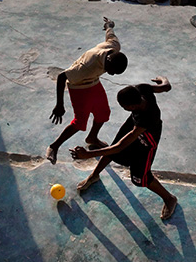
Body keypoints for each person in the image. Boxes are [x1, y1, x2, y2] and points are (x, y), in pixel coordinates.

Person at [70, 77, 178, 221]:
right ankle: (94, 175)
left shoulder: (147, 118)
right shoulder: (142, 89)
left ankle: (169, 198)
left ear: (132, 106)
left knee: (141, 178)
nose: (123, 109)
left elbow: (120, 147)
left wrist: (88, 154)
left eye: (124, 107)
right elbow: (166, 87)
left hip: (147, 140)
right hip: (133, 125)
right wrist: (162, 79)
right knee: (112, 149)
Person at [45, 17, 128, 164]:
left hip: (94, 82)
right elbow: (62, 77)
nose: (112, 75)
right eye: (112, 71)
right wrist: (59, 105)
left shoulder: (114, 47)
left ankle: (92, 138)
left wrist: (109, 25)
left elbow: (110, 36)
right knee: (80, 122)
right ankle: (54, 146)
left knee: (103, 113)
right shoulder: (86, 67)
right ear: (108, 62)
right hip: (79, 86)